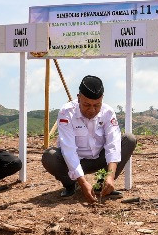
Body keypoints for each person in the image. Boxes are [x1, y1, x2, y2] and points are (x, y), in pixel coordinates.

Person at [41, 75, 137, 203]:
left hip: (99, 160)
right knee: (50, 156)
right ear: (78, 97)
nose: (92, 110)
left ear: (102, 99)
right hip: (72, 162)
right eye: (87, 104)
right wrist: (83, 182)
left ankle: (103, 185)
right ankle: (71, 184)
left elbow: (113, 145)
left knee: (128, 140)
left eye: (97, 105)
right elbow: (68, 150)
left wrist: (110, 175)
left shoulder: (108, 112)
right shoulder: (66, 112)